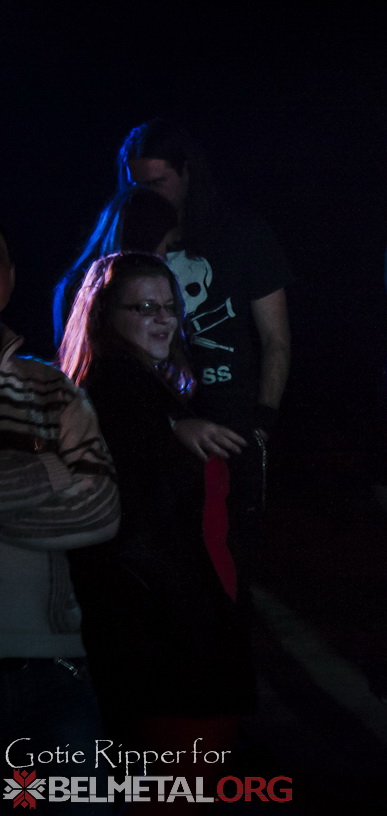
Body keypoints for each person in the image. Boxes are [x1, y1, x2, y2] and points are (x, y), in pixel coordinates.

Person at [58, 252, 255, 806]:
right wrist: (169, 428)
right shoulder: (116, 388)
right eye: (144, 308)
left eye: (169, 306)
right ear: (104, 316)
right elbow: (125, 471)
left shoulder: (154, 387)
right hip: (169, 637)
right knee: (180, 791)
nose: (164, 319)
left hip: (179, 624)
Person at [117, 117, 292, 591]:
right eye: (137, 185)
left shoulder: (242, 234)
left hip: (232, 426)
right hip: (161, 436)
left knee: (236, 566)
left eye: (158, 182)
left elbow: (275, 339)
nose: (147, 195)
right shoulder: (125, 245)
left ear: (187, 172)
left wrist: (262, 422)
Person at [1, 223, 120, 814]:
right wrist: (50, 470)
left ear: (9, 277)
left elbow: (102, 509)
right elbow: (77, 487)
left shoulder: (50, 386)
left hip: (52, 665)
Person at [52, 186, 181, 346]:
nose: (166, 257)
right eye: (167, 246)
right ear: (146, 239)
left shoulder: (74, 283)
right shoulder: (92, 290)